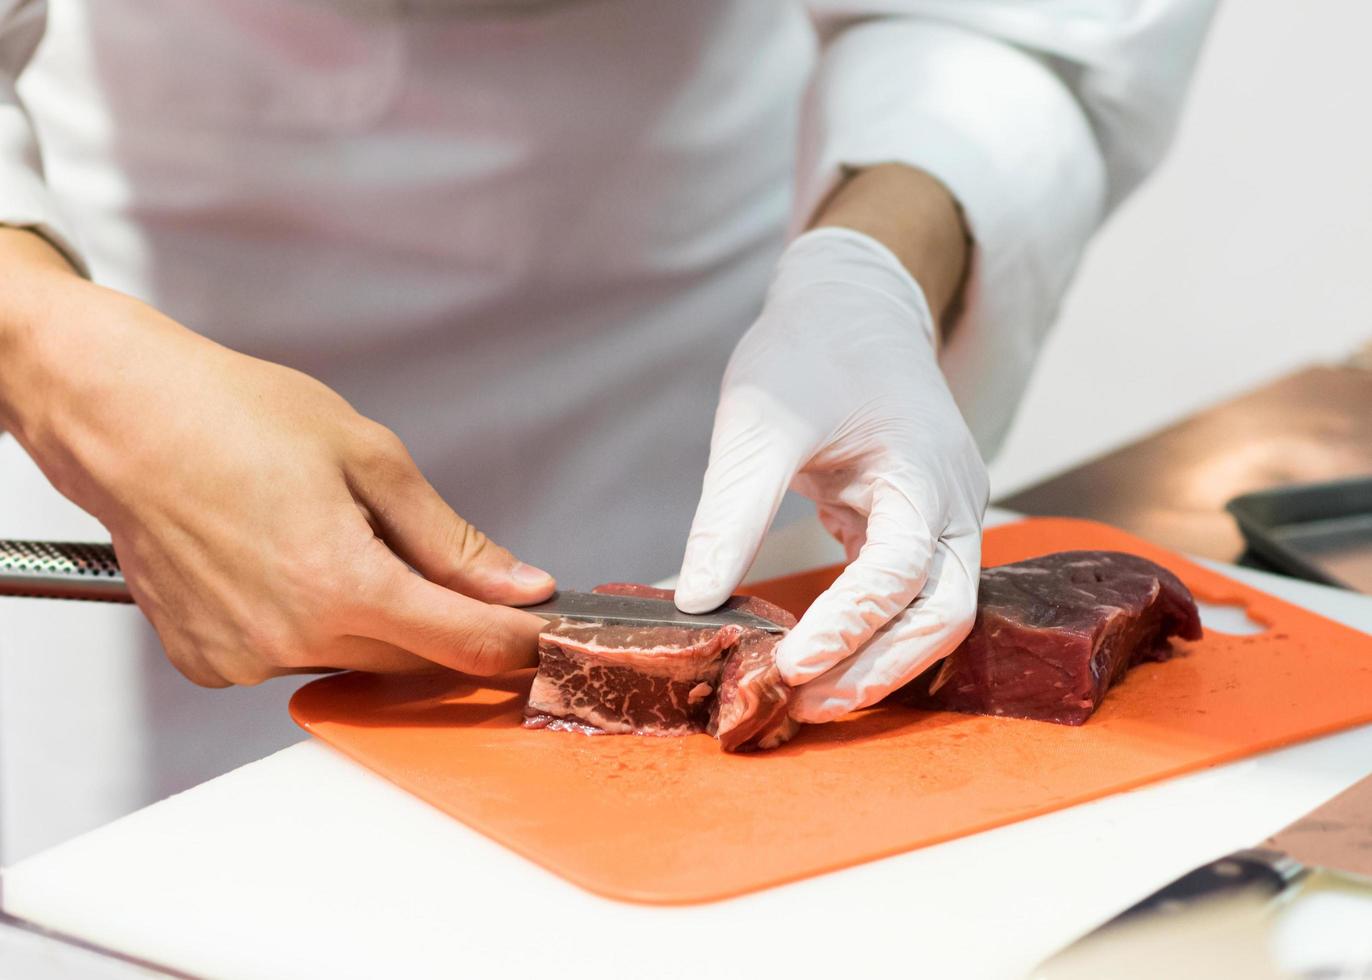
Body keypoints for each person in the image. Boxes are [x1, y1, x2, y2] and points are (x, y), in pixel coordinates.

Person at [0, 0, 1215, 848]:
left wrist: (875, 269)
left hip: (666, 272)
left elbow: (1027, 20)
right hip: (149, 271)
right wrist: (47, 345)